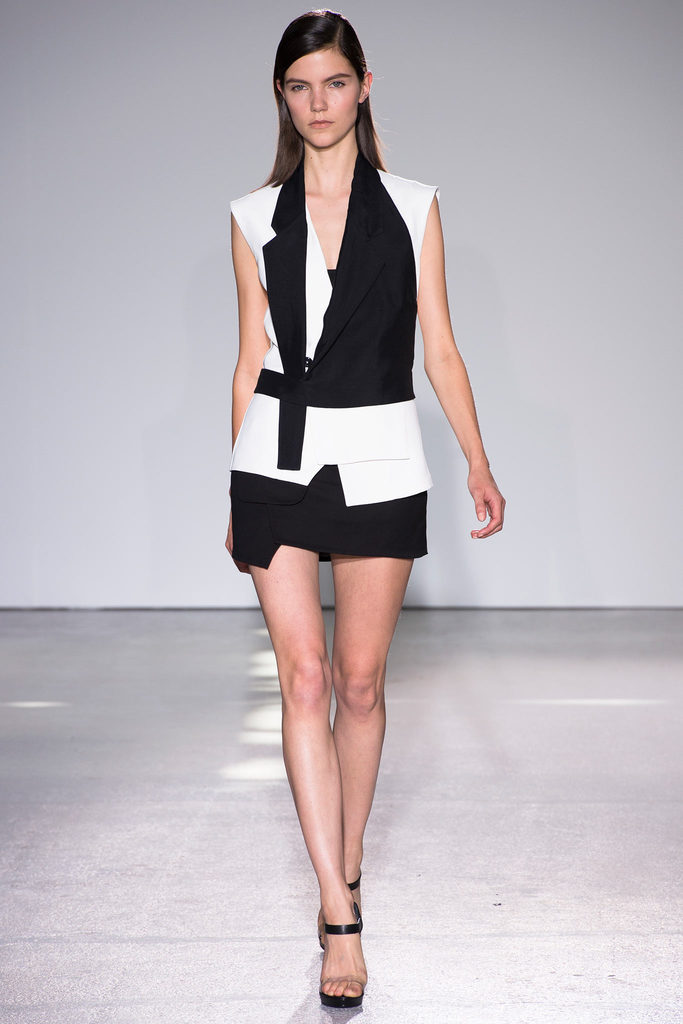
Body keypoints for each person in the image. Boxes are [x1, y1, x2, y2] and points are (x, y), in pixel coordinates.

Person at [225, 9, 505, 1009]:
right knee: (301, 680)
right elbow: (250, 356)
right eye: (299, 86)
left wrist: (476, 459)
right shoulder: (252, 216)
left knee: (356, 682)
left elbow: (440, 346)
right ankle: (339, 912)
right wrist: (233, 480)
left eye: (334, 83)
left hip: (383, 457)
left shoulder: (415, 207)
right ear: (281, 96)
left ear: (364, 86)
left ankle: (343, 862)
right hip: (277, 460)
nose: (318, 103)